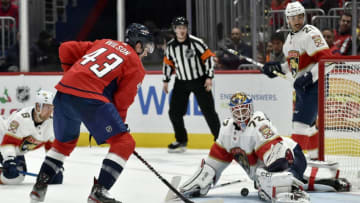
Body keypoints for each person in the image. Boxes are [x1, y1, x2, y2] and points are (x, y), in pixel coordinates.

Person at [29, 23, 154, 203]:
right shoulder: (136, 64)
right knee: (124, 142)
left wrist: (74, 77)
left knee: (63, 144)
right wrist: (117, 127)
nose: (146, 53)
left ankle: (39, 187)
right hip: (90, 98)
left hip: (64, 93)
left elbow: (65, 49)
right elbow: (122, 101)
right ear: (138, 45)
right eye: (146, 47)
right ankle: (99, 192)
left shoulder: (105, 42)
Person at [179, 92, 350, 202]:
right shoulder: (226, 130)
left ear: (251, 109)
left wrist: (273, 178)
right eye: (237, 111)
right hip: (273, 167)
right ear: (231, 112)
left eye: (244, 110)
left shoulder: (258, 123)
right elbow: (213, 165)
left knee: (272, 181)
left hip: (290, 156)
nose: (241, 115)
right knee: (272, 182)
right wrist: (202, 180)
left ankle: (291, 188)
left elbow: (276, 157)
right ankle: (331, 182)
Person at [262, 1, 332, 160]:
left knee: (300, 125)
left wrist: (309, 77)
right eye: (293, 17)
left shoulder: (310, 33)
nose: (297, 20)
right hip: (302, 88)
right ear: (288, 19)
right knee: (310, 126)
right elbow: (293, 65)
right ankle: (316, 159)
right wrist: (277, 68)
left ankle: (295, 167)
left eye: (300, 16)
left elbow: (327, 60)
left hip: (315, 86)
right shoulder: (289, 40)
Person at [163, 16, 220, 153]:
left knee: (209, 111)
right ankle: (181, 140)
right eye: (179, 28)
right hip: (181, 82)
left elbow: (209, 59)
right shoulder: (171, 46)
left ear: (187, 29)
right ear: (174, 29)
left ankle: (220, 140)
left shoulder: (196, 42)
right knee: (174, 113)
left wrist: (209, 77)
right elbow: (168, 63)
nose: (182, 30)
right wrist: (166, 80)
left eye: (184, 28)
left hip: (199, 80)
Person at [0, 90, 59, 185]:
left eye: (51, 108)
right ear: (37, 106)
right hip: (2, 138)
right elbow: (8, 142)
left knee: (16, 177)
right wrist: (9, 159)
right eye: (47, 107)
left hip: (15, 150)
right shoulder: (21, 119)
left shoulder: (51, 123)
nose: (50, 111)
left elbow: (51, 147)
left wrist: (54, 166)